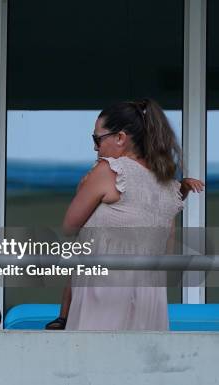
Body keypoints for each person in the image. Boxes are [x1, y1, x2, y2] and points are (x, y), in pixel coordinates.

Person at [48, 98, 202, 331]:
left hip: (104, 294)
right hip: (151, 300)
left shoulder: (109, 171)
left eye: (97, 139)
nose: (95, 148)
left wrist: (83, 189)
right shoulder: (168, 186)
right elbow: (166, 250)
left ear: (120, 138)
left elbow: (70, 227)